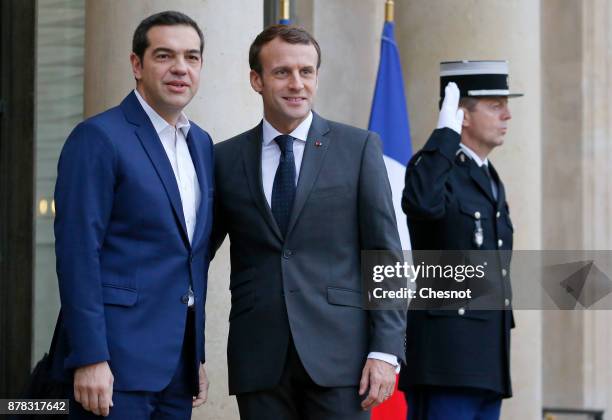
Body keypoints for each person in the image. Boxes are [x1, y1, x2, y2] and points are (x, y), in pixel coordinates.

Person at [210, 25, 406, 420]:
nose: (296, 83)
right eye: (282, 72)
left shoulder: (358, 148)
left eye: (307, 71)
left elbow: (384, 255)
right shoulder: (224, 159)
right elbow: (195, 256)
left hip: (342, 360)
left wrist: (385, 350)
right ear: (257, 80)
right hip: (259, 360)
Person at [51, 11, 213, 419]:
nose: (180, 68)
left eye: (191, 57)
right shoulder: (99, 137)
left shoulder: (201, 144)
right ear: (137, 65)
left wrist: (195, 355)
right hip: (113, 365)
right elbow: (78, 253)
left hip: (177, 368)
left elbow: (190, 255)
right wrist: (89, 357)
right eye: (164, 56)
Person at [399, 60, 522, 420]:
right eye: (495, 106)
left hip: (486, 361)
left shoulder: (488, 177)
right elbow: (421, 203)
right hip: (445, 362)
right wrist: (443, 137)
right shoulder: (435, 167)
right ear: (462, 116)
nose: (507, 115)